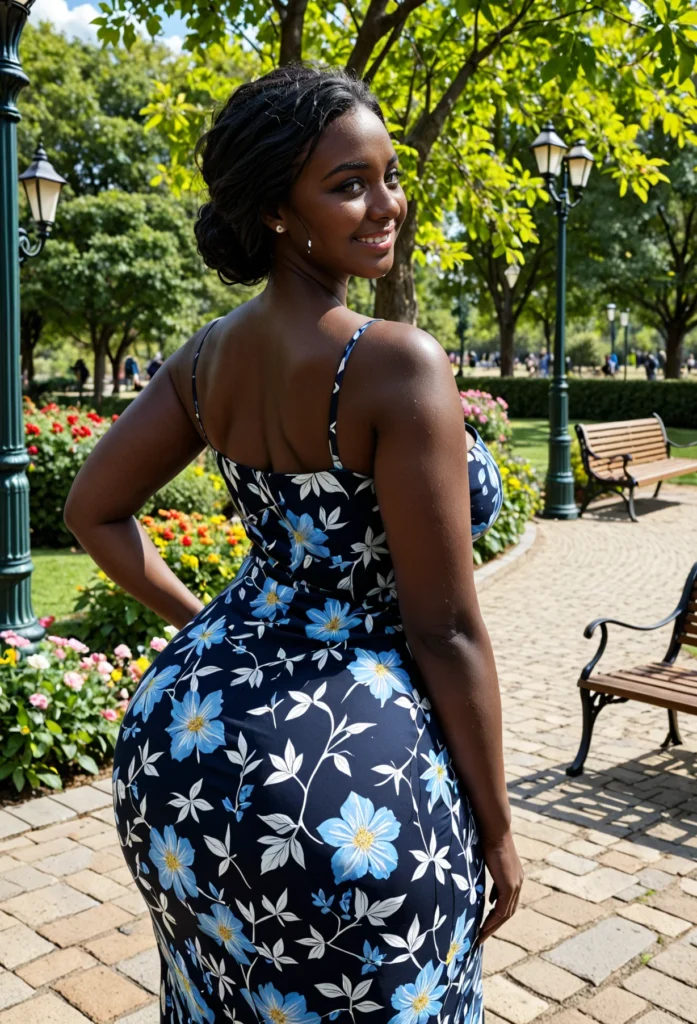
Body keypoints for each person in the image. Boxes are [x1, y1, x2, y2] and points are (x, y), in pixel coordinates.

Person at [64, 66, 520, 1024]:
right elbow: (442, 631)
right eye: (348, 184)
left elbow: (92, 511)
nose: (386, 203)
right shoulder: (395, 363)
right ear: (276, 209)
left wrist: (208, 631)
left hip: (180, 745)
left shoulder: (202, 358)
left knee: (224, 997)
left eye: (390, 175)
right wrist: (498, 830)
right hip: (346, 785)